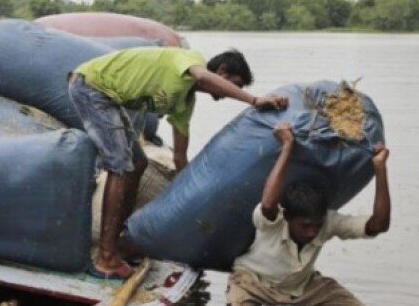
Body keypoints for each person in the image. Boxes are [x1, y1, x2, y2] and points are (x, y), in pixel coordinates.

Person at [68, 46, 288, 279]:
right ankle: (105, 258)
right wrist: (254, 100)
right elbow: (203, 76)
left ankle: (121, 241)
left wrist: (192, 196)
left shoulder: (184, 102)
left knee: (138, 162)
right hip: (91, 87)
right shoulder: (191, 59)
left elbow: (180, 157)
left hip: (109, 99)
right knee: (120, 167)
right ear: (221, 71)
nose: (229, 93)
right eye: (234, 84)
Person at [218, 121, 391, 306]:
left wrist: (380, 170)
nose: (311, 232)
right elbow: (269, 202)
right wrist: (287, 146)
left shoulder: (327, 221)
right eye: (305, 226)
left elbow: (378, 225)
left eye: (316, 226)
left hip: (302, 284)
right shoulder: (274, 219)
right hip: (254, 282)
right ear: (288, 217)